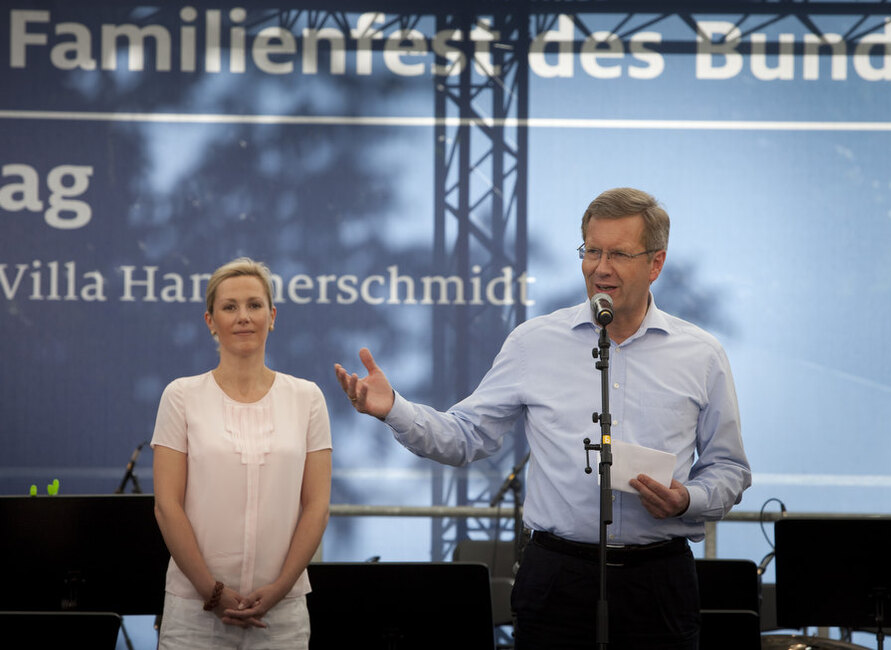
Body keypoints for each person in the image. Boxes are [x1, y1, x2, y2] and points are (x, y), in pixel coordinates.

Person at [334, 187, 750, 650]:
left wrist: (688, 499)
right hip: (557, 580)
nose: (600, 267)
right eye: (591, 251)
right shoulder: (535, 343)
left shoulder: (701, 354)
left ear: (656, 264)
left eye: (618, 254)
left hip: (657, 582)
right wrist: (394, 407)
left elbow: (730, 468)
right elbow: (465, 436)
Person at [152, 257, 332, 649]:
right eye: (229, 307)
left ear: (272, 316)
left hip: (282, 616)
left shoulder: (308, 398)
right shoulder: (181, 396)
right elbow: (167, 505)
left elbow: (316, 506)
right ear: (210, 321)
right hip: (193, 614)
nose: (243, 317)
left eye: (254, 305)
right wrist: (212, 593)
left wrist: (280, 589)